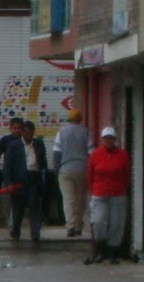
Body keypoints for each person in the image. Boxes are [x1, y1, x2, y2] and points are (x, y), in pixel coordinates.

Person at [85, 126, 131, 265]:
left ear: (115, 139)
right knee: (98, 222)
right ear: (102, 139)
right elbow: (90, 174)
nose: (108, 141)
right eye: (106, 138)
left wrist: (122, 189)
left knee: (116, 224)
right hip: (99, 193)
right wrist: (93, 190)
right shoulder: (95, 154)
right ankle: (100, 251)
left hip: (117, 194)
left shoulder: (122, 155)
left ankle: (112, 253)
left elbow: (126, 174)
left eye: (111, 138)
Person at [1, 117, 47, 243]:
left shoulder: (38, 144)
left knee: (34, 208)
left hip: (33, 179)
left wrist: (43, 177)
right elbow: (8, 165)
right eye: (25, 132)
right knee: (17, 209)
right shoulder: (14, 145)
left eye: (30, 133)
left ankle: (35, 233)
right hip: (19, 180)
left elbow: (43, 162)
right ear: (22, 132)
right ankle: (16, 231)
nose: (28, 135)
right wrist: (9, 183)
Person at [52, 109, 90, 237]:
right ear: (80, 119)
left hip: (65, 170)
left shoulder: (61, 132)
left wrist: (57, 170)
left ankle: (70, 226)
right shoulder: (86, 132)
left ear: (68, 119)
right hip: (82, 169)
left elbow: (56, 153)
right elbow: (91, 152)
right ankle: (79, 226)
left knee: (68, 199)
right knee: (80, 199)